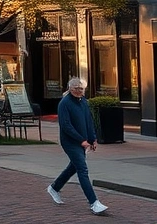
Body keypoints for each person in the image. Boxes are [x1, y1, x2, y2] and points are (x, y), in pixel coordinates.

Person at [47, 77, 108, 215]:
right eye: (76, 88)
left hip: (83, 141)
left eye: (81, 89)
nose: (79, 91)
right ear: (70, 88)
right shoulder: (64, 103)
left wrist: (93, 139)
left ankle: (54, 187)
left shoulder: (84, 102)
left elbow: (89, 121)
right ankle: (94, 203)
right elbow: (66, 126)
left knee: (74, 167)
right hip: (70, 142)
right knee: (82, 168)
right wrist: (81, 140)